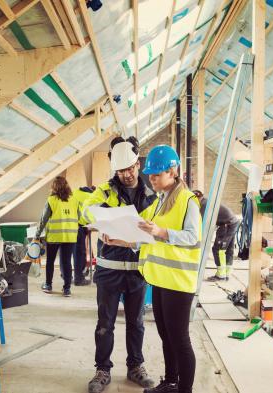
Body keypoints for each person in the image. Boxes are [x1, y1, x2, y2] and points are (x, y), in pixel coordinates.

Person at [106, 145, 202, 393]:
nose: (151, 178)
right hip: (160, 280)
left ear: (173, 171)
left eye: (156, 174)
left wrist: (161, 232)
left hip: (179, 282)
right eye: (150, 174)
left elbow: (192, 237)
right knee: (165, 335)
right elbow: (145, 235)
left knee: (180, 339)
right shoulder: (161, 200)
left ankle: (184, 390)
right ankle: (170, 382)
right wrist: (118, 239)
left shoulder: (188, 201)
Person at [81, 136, 157, 393]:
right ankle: (102, 370)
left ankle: (136, 366)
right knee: (105, 324)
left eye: (132, 168)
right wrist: (97, 220)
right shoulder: (105, 190)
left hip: (137, 271)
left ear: (138, 164)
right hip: (109, 270)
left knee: (136, 323)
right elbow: (86, 210)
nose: (127, 174)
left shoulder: (151, 195)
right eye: (122, 170)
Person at [35, 176, 79, 297]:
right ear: (67, 186)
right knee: (66, 263)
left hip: (54, 237)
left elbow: (43, 219)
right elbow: (79, 217)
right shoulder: (74, 200)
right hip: (70, 237)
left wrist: (37, 234)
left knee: (50, 261)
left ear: (54, 187)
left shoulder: (51, 200)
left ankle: (48, 285)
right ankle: (67, 289)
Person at [192, 190, 240, 281]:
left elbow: (202, 223)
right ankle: (226, 273)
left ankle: (221, 276)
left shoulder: (204, 205)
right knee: (228, 249)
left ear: (197, 198)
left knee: (218, 249)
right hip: (232, 222)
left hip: (227, 224)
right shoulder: (207, 202)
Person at [72, 186, 95, 286]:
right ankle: (79, 279)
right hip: (79, 227)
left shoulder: (75, 192)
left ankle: (73, 274)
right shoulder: (91, 196)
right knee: (80, 253)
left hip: (70, 225)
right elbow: (90, 215)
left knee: (73, 252)